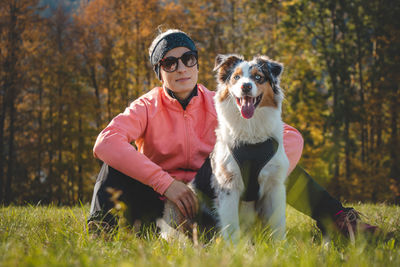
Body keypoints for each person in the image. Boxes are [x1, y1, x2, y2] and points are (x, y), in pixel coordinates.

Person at [87, 29, 378, 239]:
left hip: (212, 201)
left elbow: (290, 137)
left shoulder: (225, 102)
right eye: (169, 62)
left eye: (188, 58)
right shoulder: (147, 106)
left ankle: (338, 220)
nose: (181, 68)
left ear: (198, 63)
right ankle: (100, 230)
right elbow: (106, 142)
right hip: (158, 202)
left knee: (270, 157)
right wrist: (165, 184)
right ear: (158, 71)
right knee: (113, 162)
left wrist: (258, 176)